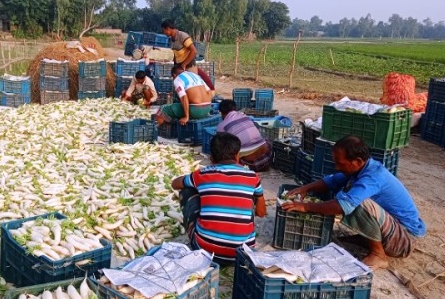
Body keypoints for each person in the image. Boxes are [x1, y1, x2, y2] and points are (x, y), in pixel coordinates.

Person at [281, 135, 426, 269]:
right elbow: (332, 181)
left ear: (357, 161)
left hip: (404, 239)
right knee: (347, 194)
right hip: (393, 230)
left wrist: (306, 207)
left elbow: (343, 206)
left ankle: (378, 255)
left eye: (340, 164)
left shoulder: (373, 177)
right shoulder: (360, 169)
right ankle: (370, 242)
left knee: (354, 203)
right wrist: (306, 188)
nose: (337, 167)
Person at [171, 132, 266, 263]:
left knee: (187, 190)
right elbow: (261, 212)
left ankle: (204, 232)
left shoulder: (202, 174)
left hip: (205, 250)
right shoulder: (252, 176)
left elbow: (175, 184)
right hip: (243, 254)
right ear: (237, 156)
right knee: (249, 198)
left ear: (211, 158)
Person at [161, 19, 215, 96]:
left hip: (189, 66)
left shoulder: (182, 36)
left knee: (191, 87)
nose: (163, 33)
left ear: (168, 29)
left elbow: (194, 51)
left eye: (163, 31)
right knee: (181, 88)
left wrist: (185, 63)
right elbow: (176, 53)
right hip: (179, 66)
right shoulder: (172, 39)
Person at [216, 99, 272, 172]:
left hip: (248, 165)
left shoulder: (222, 125)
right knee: (266, 140)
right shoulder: (244, 116)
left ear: (221, 113)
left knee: (226, 148)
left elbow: (219, 145)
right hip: (266, 159)